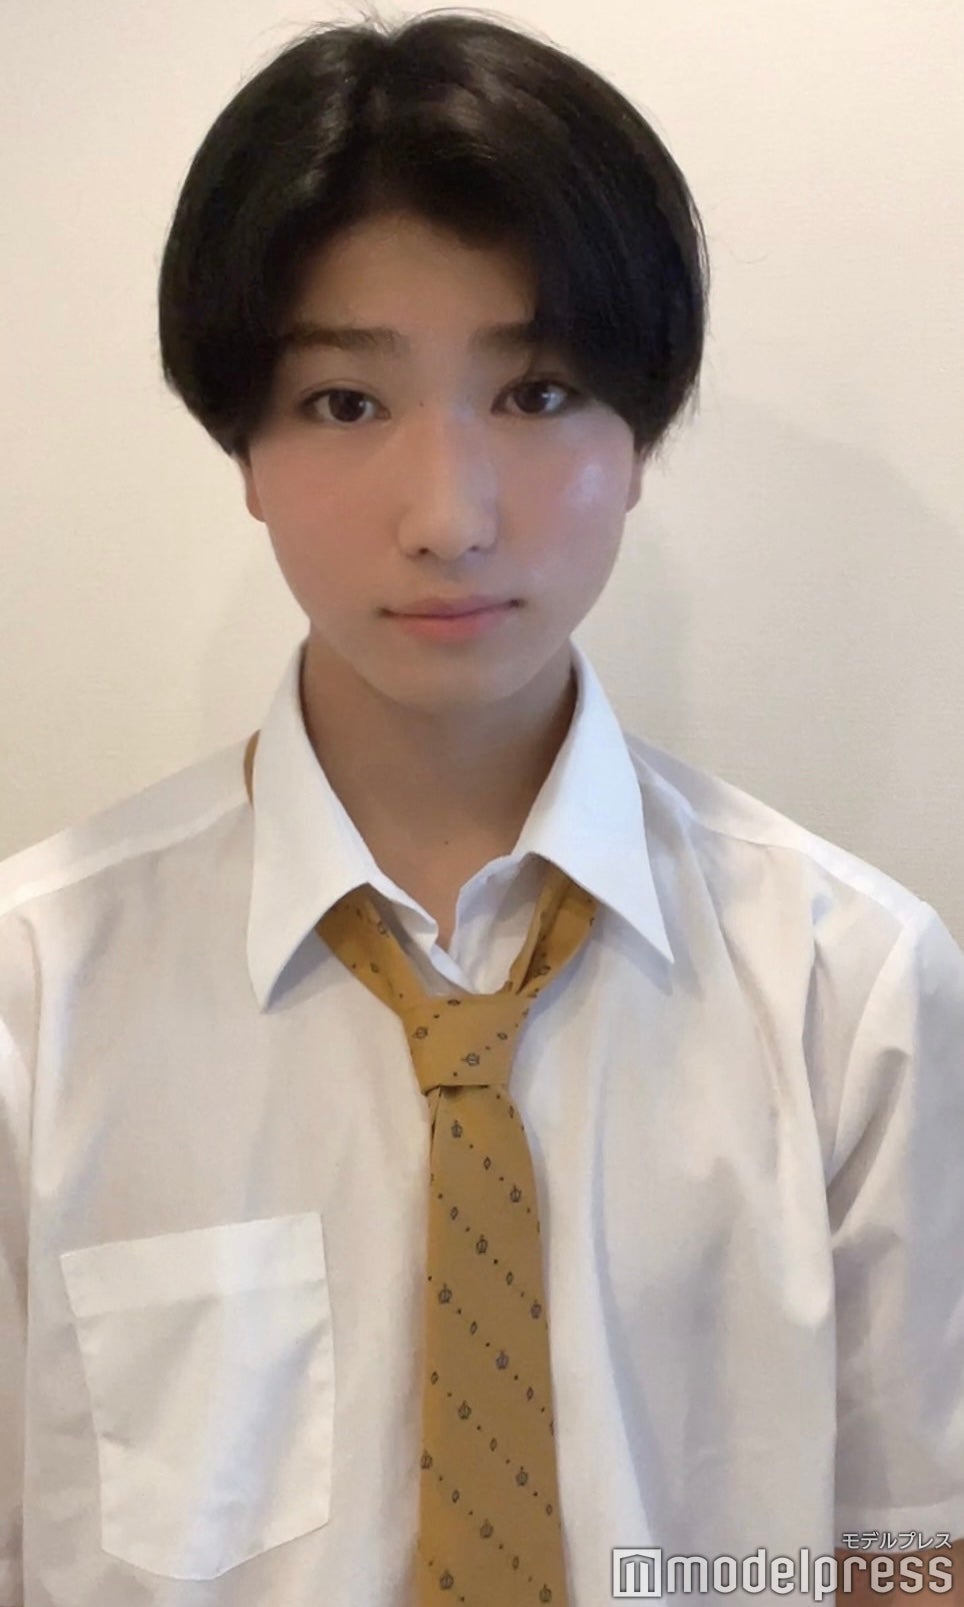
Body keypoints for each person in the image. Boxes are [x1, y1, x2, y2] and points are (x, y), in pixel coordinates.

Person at [0, 9, 961, 1606]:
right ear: (243, 449)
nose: (449, 517)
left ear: (641, 442)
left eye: (540, 391)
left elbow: (906, 1557)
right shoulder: (38, 1004)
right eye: (344, 403)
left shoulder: (847, 992)